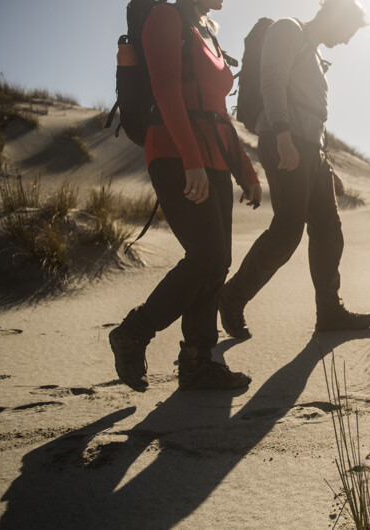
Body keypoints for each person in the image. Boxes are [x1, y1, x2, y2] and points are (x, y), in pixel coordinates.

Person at [109, 0, 262, 392]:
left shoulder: (206, 29)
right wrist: (191, 160)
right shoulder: (165, 16)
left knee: (218, 261)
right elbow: (165, 91)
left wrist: (246, 172)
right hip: (176, 153)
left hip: (212, 156)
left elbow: (218, 113)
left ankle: (196, 361)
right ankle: (133, 332)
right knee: (206, 255)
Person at [219, 0, 370, 340]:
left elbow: (313, 117)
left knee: (329, 229)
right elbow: (272, 82)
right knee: (287, 230)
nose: (347, 40)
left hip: (310, 151)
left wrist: (326, 165)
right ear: (334, 15)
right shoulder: (288, 29)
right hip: (285, 142)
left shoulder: (315, 54)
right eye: (348, 31)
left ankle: (329, 311)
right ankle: (231, 299)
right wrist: (282, 136)